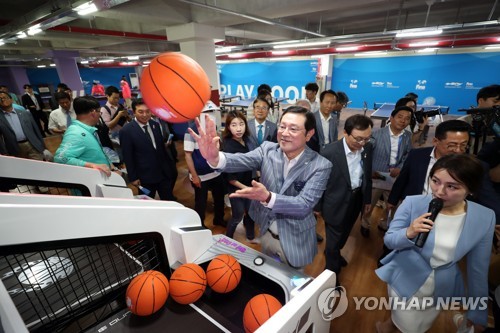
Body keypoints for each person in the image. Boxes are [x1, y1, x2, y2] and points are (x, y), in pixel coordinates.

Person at [189, 106, 332, 268]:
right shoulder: (267, 149)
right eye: (282, 126)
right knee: (268, 274)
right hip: (266, 232)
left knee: (293, 282)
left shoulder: (321, 165)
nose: (284, 133)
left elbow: (304, 205)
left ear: (309, 134)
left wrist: (268, 197)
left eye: (293, 129)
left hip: (296, 240)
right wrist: (215, 158)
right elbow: (241, 159)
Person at [375, 154, 495, 333]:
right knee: (408, 326)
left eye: (452, 186)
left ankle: (385, 327)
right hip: (406, 276)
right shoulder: (413, 203)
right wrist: (409, 232)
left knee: (420, 325)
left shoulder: (485, 217)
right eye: (435, 181)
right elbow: (390, 240)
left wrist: (478, 313)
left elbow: (478, 269)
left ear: (470, 189)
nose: (439, 191)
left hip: (441, 285)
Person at [320, 114, 373, 279]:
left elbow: (367, 175)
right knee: (334, 239)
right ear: (345, 133)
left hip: (356, 200)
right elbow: (319, 182)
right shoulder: (328, 152)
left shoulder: (367, 148)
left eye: (366, 139)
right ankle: (331, 276)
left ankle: (333, 251)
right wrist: (316, 208)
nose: (362, 143)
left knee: (344, 233)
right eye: (358, 139)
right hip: (334, 203)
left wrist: (367, 199)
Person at [361, 106, 413, 236]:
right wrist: (370, 172)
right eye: (400, 117)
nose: (403, 121)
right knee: (369, 204)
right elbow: (365, 155)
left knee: (392, 205)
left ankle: (384, 223)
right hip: (376, 175)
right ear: (391, 118)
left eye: (407, 119)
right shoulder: (376, 134)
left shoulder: (407, 136)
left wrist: (400, 168)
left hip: (394, 177)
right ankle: (364, 224)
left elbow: (407, 154)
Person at [119, 99, 176, 200]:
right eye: (140, 112)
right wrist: (133, 177)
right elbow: (128, 156)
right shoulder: (126, 130)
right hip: (144, 177)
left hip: (163, 174)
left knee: (169, 200)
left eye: (148, 111)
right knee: (148, 204)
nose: (145, 115)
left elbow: (160, 148)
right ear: (133, 112)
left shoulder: (155, 125)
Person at [184, 111, 226, 228]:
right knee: (200, 202)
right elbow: (188, 155)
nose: (208, 115)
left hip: (216, 173)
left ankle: (219, 219)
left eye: (210, 112)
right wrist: (195, 176)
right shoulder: (190, 131)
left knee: (219, 199)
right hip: (201, 176)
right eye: (205, 113)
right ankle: (200, 224)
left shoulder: (213, 127)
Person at [55, 96, 114, 176]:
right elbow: (60, 158)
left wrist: (110, 165)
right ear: (93, 112)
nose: (99, 116)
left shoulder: (88, 129)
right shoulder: (76, 133)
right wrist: (92, 165)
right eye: (99, 112)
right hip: (91, 181)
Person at [222, 111, 258, 242]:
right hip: (236, 187)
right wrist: (247, 189)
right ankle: (228, 239)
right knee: (237, 215)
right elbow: (230, 178)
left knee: (251, 212)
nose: (238, 128)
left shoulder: (248, 140)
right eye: (234, 125)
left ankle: (250, 232)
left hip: (249, 182)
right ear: (228, 127)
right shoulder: (228, 146)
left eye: (241, 124)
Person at [0, 91, 49, 161]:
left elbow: (36, 130)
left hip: (32, 144)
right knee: (23, 169)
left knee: (39, 165)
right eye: (0, 99)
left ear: (11, 100)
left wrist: (43, 146)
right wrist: (4, 152)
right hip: (15, 148)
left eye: (5, 98)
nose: (3, 100)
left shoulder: (25, 113)